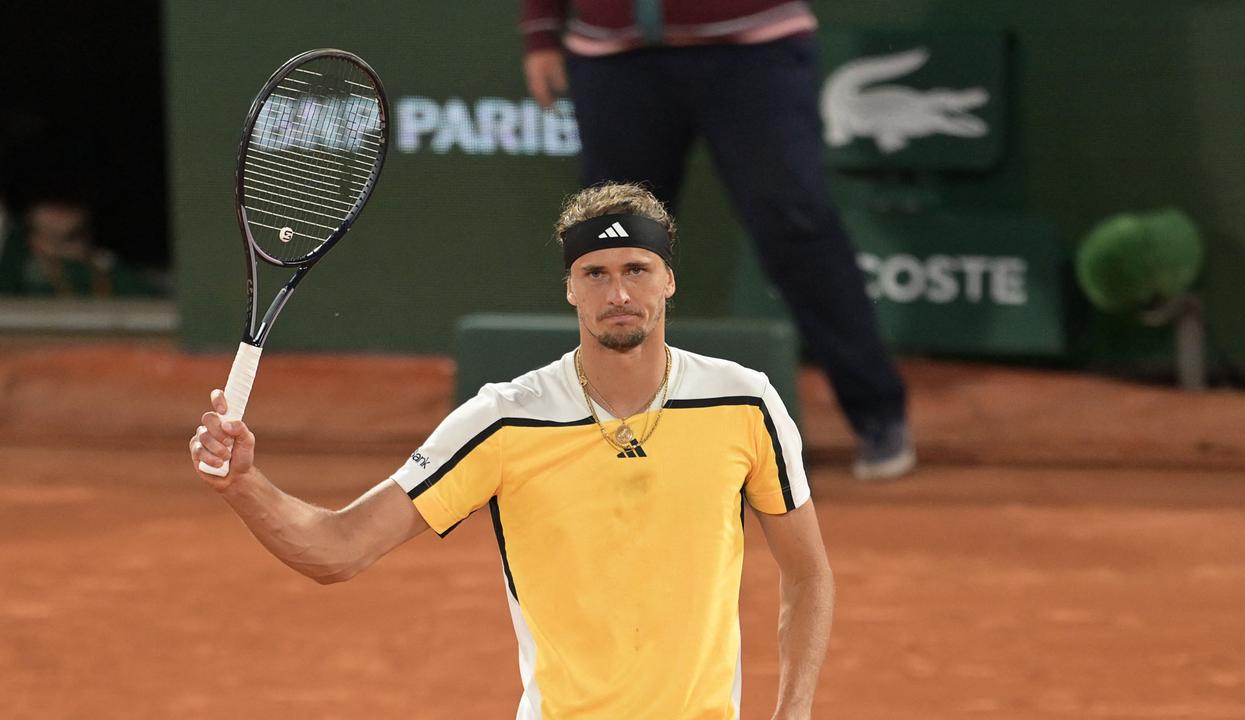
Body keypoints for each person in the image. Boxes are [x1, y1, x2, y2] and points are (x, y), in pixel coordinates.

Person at [189, 182, 835, 720]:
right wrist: (243, 484)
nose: (618, 295)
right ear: (570, 288)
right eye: (596, 274)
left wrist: (794, 709)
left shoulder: (745, 405)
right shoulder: (503, 421)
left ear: (668, 279)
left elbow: (807, 573)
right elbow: (337, 548)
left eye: (637, 269)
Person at [521, 0, 915, 480]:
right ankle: (607, 421)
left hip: (754, 46)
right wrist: (542, 32)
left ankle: (876, 413)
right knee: (612, 242)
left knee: (796, 226)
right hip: (613, 54)